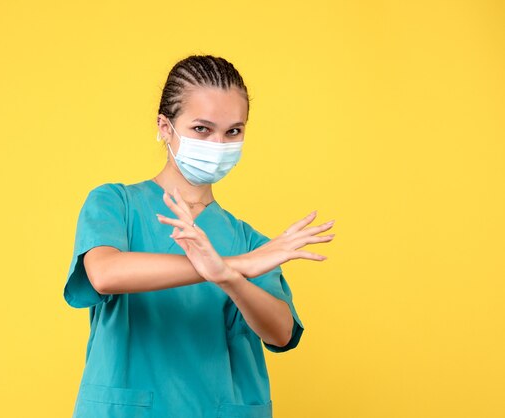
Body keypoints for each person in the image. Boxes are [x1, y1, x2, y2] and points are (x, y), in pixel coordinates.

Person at [63, 54, 336, 418]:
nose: (219, 144)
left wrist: (226, 276)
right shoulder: (116, 204)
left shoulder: (248, 240)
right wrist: (232, 266)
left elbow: (281, 333)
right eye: (202, 129)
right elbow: (105, 273)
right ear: (164, 127)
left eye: (233, 131)